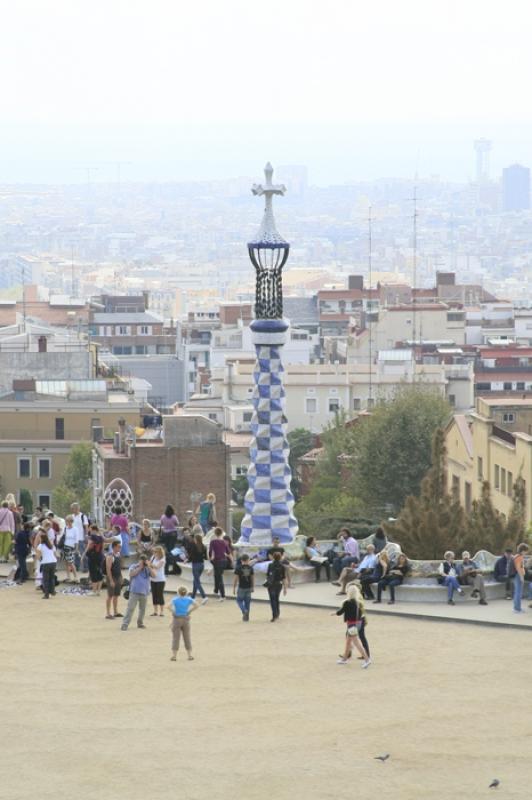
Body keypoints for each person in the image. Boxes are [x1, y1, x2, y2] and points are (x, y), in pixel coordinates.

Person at [333, 584, 371, 667]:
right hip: (359, 623)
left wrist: (334, 613)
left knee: (356, 643)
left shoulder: (347, 602)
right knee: (348, 642)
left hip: (351, 625)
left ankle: (367, 659)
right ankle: (344, 659)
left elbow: (340, 612)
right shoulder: (359, 602)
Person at [121, 554, 156, 631]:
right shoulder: (134, 566)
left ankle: (140, 623)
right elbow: (131, 574)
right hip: (134, 591)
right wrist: (140, 567)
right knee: (130, 608)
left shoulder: (148, 568)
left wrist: (149, 567)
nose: (143, 562)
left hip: (144, 592)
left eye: (144, 560)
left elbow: (154, 575)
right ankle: (125, 624)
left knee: (142, 609)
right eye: (142, 560)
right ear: (139, 560)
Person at [167, 586, 199, 661]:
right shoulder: (189, 599)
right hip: (185, 619)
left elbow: (168, 606)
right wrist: (189, 611)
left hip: (177, 619)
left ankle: (174, 656)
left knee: (176, 638)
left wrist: (173, 611)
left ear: (178, 592)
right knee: (187, 637)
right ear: (186, 593)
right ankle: (189, 655)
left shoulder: (175, 599)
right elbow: (196, 605)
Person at [209, 526, 230, 601]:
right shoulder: (224, 542)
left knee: (219, 577)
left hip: (217, 561)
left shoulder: (213, 542)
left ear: (215, 533)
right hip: (224, 561)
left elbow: (210, 551)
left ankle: (223, 595)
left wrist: (211, 558)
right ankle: (216, 590)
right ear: (221, 533)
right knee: (217, 575)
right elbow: (228, 552)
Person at [266, 551, 287, 621]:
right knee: (277, 599)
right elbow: (284, 577)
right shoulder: (282, 566)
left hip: (271, 584)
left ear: (273, 557)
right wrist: (285, 588)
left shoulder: (270, 565)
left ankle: (274, 614)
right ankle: (277, 613)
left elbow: (268, 575)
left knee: (272, 600)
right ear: (280, 557)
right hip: (279, 584)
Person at [188, 533, 208, 603]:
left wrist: (187, 560)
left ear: (196, 539)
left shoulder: (194, 546)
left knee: (197, 581)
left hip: (195, 565)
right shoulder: (203, 547)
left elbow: (191, 556)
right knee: (195, 581)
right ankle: (193, 597)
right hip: (202, 565)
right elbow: (206, 557)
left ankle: (204, 596)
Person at [233, 554, 254, 621]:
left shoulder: (238, 568)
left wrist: (234, 587)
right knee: (247, 602)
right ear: (248, 560)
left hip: (241, 587)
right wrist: (252, 587)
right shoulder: (251, 568)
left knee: (239, 600)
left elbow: (235, 579)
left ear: (241, 560)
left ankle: (244, 610)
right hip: (248, 587)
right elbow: (252, 578)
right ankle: (246, 617)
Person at [37, 529, 58, 599]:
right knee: (51, 578)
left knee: (45, 579)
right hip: (53, 562)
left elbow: (38, 556)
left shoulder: (40, 546)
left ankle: (46, 594)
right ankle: (52, 591)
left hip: (46, 563)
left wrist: (41, 560)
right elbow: (55, 554)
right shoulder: (51, 545)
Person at [105, 540, 123, 619]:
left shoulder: (118, 555)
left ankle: (115, 612)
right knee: (110, 595)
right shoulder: (110, 556)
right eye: (119, 546)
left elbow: (119, 568)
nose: (120, 548)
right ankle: (108, 613)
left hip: (118, 577)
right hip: (112, 578)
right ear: (114, 547)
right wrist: (111, 580)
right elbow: (108, 569)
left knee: (116, 595)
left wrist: (121, 577)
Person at [84, 526, 105, 594]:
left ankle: (94, 591)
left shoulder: (92, 537)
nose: (90, 532)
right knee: (100, 573)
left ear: (94, 530)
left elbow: (89, 546)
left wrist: (83, 555)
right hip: (100, 556)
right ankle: (98, 591)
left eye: (91, 530)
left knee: (93, 574)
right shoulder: (101, 538)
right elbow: (102, 548)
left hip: (92, 557)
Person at [60, 515, 79, 583]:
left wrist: (76, 548)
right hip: (65, 546)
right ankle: (68, 576)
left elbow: (76, 539)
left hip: (71, 547)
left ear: (71, 521)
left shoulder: (75, 529)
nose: (66, 522)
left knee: (71, 562)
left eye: (67, 521)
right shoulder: (65, 528)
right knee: (66, 562)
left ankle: (76, 577)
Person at [71, 503, 89, 571]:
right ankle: (76, 567)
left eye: (73, 508)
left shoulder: (83, 516)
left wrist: (86, 535)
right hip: (74, 538)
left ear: (77, 508)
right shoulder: (72, 516)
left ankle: (85, 567)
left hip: (81, 537)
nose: (72, 510)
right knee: (75, 553)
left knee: (82, 552)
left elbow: (86, 526)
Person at [512, 542, 529, 614]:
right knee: (518, 593)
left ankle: (517, 608)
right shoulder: (520, 557)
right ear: (523, 550)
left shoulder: (516, 556)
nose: (526, 552)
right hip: (518, 576)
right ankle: (517, 609)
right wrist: (521, 577)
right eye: (526, 551)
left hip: (516, 576)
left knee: (517, 592)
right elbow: (518, 568)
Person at [149, 545, 166, 617]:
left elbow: (157, 567)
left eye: (156, 552)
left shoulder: (162, 559)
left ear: (159, 553)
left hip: (160, 580)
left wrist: (149, 564)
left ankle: (162, 611)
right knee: (154, 595)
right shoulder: (152, 557)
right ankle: (155, 611)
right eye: (154, 551)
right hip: (153, 579)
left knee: (160, 595)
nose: (154, 553)